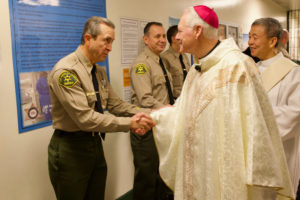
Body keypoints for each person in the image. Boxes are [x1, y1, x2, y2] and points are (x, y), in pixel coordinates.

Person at [150, 5, 294, 200]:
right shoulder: (196, 70)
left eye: (181, 31)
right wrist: (155, 117)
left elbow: (254, 128)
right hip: (199, 171)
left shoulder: (237, 67)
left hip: (223, 173)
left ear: (198, 31)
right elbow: (183, 113)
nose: (176, 37)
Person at [48, 16, 154, 200]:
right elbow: (86, 119)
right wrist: (130, 123)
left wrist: (149, 114)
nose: (110, 48)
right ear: (88, 39)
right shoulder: (66, 71)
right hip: (70, 149)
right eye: (106, 40)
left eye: (112, 41)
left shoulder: (99, 71)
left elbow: (115, 104)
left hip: (94, 144)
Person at [249, 17, 300, 196]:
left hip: (278, 152)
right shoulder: (250, 69)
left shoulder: (292, 72)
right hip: (250, 150)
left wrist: (252, 120)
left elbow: (294, 113)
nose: (250, 42)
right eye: (249, 36)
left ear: (272, 41)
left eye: (255, 37)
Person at [130, 22, 174, 200]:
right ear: (145, 39)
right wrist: (169, 109)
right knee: (146, 177)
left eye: (164, 36)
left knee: (161, 174)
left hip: (161, 125)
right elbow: (145, 99)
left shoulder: (161, 61)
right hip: (147, 127)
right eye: (157, 36)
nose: (162, 40)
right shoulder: (142, 64)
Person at [161, 25, 191, 99]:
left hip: (187, 98)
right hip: (175, 100)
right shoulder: (164, 58)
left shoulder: (184, 56)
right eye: (182, 36)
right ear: (174, 39)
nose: (184, 39)